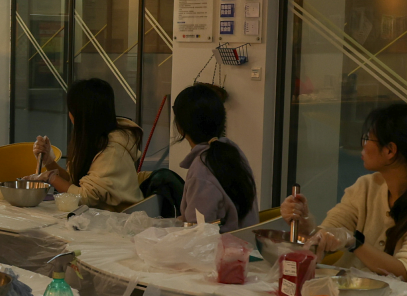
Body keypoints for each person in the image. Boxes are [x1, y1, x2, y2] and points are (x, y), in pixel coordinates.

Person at [281, 104, 407, 287]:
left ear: (390, 150)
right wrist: (306, 227)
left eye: (367, 138)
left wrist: (353, 242)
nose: (362, 145)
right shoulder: (366, 186)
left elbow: (405, 271)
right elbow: (332, 233)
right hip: (351, 293)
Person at [32, 78, 145, 211]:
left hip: (121, 219)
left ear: (81, 115)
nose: (69, 114)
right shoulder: (94, 139)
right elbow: (73, 182)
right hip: (99, 216)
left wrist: (51, 178)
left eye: (71, 110)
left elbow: (85, 197)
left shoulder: (113, 151)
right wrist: (49, 162)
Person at [172, 84, 258, 231]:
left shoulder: (201, 170)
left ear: (180, 126)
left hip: (223, 244)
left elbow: (197, 234)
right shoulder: (233, 151)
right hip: (246, 241)